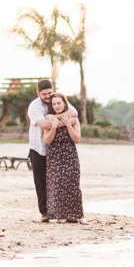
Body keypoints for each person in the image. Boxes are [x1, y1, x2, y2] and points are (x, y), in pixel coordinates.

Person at [27, 79, 78, 222]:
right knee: (40, 181)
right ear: (38, 93)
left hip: (55, 149)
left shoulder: (56, 99)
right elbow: (43, 124)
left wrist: (53, 118)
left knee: (56, 181)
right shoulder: (34, 106)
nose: (48, 96)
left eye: (50, 92)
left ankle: (58, 212)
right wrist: (64, 122)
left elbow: (74, 112)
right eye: (44, 94)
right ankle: (44, 213)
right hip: (38, 147)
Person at [43, 93, 86, 224]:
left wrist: (68, 125)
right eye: (54, 104)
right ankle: (60, 215)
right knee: (57, 184)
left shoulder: (73, 119)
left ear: (64, 104)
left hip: (70, 154)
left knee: (72, 184)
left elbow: (77, 139)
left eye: (59, 103)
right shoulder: (49, 120)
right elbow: (48, 140)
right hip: (54, 155)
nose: (56, 106)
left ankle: (78, 215)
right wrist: (54, 126)